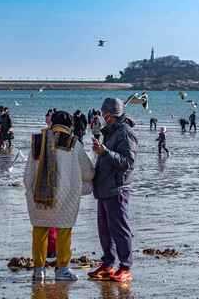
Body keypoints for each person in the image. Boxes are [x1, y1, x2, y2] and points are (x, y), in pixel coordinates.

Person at [24, 110, 94, 281]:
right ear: (69, 125)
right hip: (65, 198)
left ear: (52, 123)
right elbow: (88, 173)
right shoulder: (73, 144)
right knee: (64, 231)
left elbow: (28, 175)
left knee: (39, 232)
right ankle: (62, 269)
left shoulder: (38, 142)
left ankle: (39, 270)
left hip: (39, 197)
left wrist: (31, 190)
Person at [89, 98, 138, 283]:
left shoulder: (125, 133)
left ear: (111, 115)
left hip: (117, 189)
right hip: (104, 188)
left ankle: (125, 267)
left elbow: (128, 162)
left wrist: (105, 153)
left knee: (120, 229)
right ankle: (108, 263)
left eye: (105, 114)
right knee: (104, 230)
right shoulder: (110, 132)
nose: (102, 117)